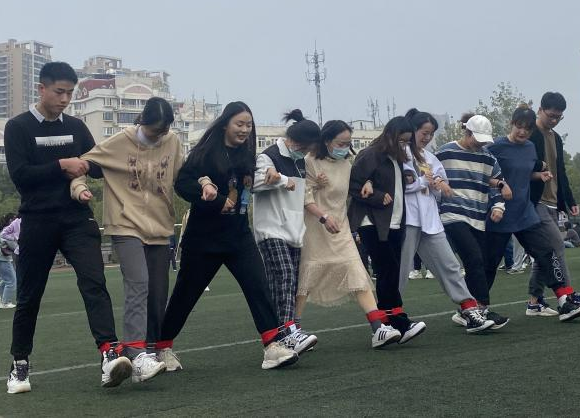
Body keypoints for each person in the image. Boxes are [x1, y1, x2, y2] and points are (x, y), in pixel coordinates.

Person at [3, 61, 132, 394]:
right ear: (41, 89)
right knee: (29, 295)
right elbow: (21, 176)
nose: (64, 99)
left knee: (94, 282)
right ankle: (19, 363)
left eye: (70, 93)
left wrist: (89, 163)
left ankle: (109, 353)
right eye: (59, 92)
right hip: (37, 219)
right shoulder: (17, 127)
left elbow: (98, 167)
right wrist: (62, 164)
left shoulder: (76, 127)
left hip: (77, 218)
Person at [159, 101, 298, 370]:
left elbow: (260, 177)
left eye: (249, 125)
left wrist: (273, 175)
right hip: (204, 239)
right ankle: (162, 348)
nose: (244, 130)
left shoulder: (248, 155)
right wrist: (212, 197)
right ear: (225, 124)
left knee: (258, 285)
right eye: (239, 124)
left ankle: (272, 346)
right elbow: (182, 184)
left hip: (238, 236)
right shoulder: (206, 153)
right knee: (185, 295)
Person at [76, 96, 185, 382]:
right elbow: (83, 163)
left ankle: (152, 350)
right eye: (155, 130)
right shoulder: (119, 142)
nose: (159, 135)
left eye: (164, 130)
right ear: (142, 122)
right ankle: (136, 353)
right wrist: (79, 188)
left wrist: (204, 182)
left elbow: (183, 174)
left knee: (158, 293)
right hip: (125, 224)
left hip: (159, 226)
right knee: (139, 284)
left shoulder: (173, 142)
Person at [482, 106, 580, 322]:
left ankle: (564, 300)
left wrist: (538, 176)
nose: (523, 132)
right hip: (500, 215)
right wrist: (500, 185)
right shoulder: (495, 147)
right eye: (519, 126)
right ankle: (475, 308)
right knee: (489, 265)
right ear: (511, 124)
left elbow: (522, 172)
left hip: (525, 213)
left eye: (527, 129)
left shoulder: (529, 148)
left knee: (547, 253)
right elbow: (481, 175)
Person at [296, 120, 403, 348]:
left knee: (356, 270)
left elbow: (356, 182)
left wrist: (368, 182)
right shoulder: (310, 161)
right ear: (327, 141)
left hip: (340, 227)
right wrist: (322, 210)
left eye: (348, 143)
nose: (345, 147)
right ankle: (293, 329)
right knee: (307, 276)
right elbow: (304, 196)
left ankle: (378, 329)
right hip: (316, 226)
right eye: (340, 143)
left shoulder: (346, 163)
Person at [399, 109, 495, 333]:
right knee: (401, 270)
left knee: (450, 265)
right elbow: (402, 185)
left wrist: (440, 185)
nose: (427, 138)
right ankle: (389, 316)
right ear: (412, 131)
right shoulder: (399, 155)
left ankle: (469, 310)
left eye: (431, 134)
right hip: (408, 219)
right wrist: (425, 182)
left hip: (430, 221)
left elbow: (440, 186)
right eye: (424, 133)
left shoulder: (430, 157)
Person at [349, 116, 428, 344]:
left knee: (390, 271)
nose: (404, 145)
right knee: (388, 269)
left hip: (394, 222)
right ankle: (396, 322)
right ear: (391, 135)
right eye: (401, 141)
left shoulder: (397, 159)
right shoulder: (370, 154)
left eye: (407, 142)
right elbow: (353, 185)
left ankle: (389, 322)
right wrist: (376, 195)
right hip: (372, 222)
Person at [252, 109, 322, 353]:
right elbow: (255, 183)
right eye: (305, 148)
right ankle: (288, 331)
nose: (305, 153)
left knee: (286, 282)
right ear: (294, 141)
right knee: (284, 274)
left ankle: (281, 332)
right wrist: (280, 179)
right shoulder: (268, 156)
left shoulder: (300, 161)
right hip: (270, 228)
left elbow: (300, 195)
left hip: (293, 230)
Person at [435, 114, 513, 325]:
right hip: (452, 214)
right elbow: (428, 170)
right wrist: (438, 183)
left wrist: (498, 205)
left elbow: (497, 182)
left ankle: (468, 311)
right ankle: (481, 309)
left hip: (477, 217)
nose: (480, 144)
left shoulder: (488, 157)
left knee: (479, 262)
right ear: (467, 132)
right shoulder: (445, 152)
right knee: (474, 258)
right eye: (477, 139)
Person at [527, 92, 580, 316]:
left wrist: (569, 200)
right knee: (557, 245)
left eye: (559, 117)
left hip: (552, 201)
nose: (555, 120)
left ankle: (534, 302)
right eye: (551, 115)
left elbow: (561, 171)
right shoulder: (530, 134)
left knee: (545, 253)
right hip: (535, 201)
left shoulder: (556, 138)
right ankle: (567, 297)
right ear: (540, 110)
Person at [0, 214, 18, 309]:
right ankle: (5, 302)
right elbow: (11, 244)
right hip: (2, 257)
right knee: (12, 281)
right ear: (10, 220)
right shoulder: (6, 230)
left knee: (8, 278)